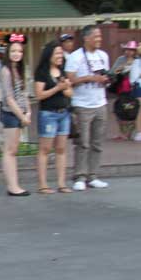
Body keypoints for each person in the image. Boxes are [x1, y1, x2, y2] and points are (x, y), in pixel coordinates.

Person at [65, 24, 110, 191]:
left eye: (100, 37)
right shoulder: (75, 57)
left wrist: (106, 79)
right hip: (82, 104)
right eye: (96, 37)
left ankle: (93, 175)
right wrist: (90, 78)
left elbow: (104, 75)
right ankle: (79, 176)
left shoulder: (103, 55)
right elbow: (70, 80)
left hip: (100, 102)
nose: (99, 39)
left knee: (97, 142)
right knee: (82, 142)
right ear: (86, 38)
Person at [34, 40, 72, 193]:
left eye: (61, 54)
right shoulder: (42, 72)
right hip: (48, 114)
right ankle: (43, 184)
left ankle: (61, 182)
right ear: (49, 55)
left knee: (61, 148)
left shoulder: (62, 72)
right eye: (57, 53)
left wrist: (65, 88)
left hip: (64, 113)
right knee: (45, 148)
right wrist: (58, 87)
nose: (60, 56)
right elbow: (39, 95)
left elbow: (70, 93)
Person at [0, 34, 31, 196]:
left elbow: (24, 93)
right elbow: (9, 98)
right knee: (10, 150)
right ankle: (13, 186)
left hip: (19, 113)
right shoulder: (5, 71)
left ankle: (14, 185)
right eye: (13, 51)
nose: (16, 54)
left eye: (19, 51)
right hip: (11, 114)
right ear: (8, 52)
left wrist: (29, 110)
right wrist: (22, 116)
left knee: (13, 150)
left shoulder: (18, 70)